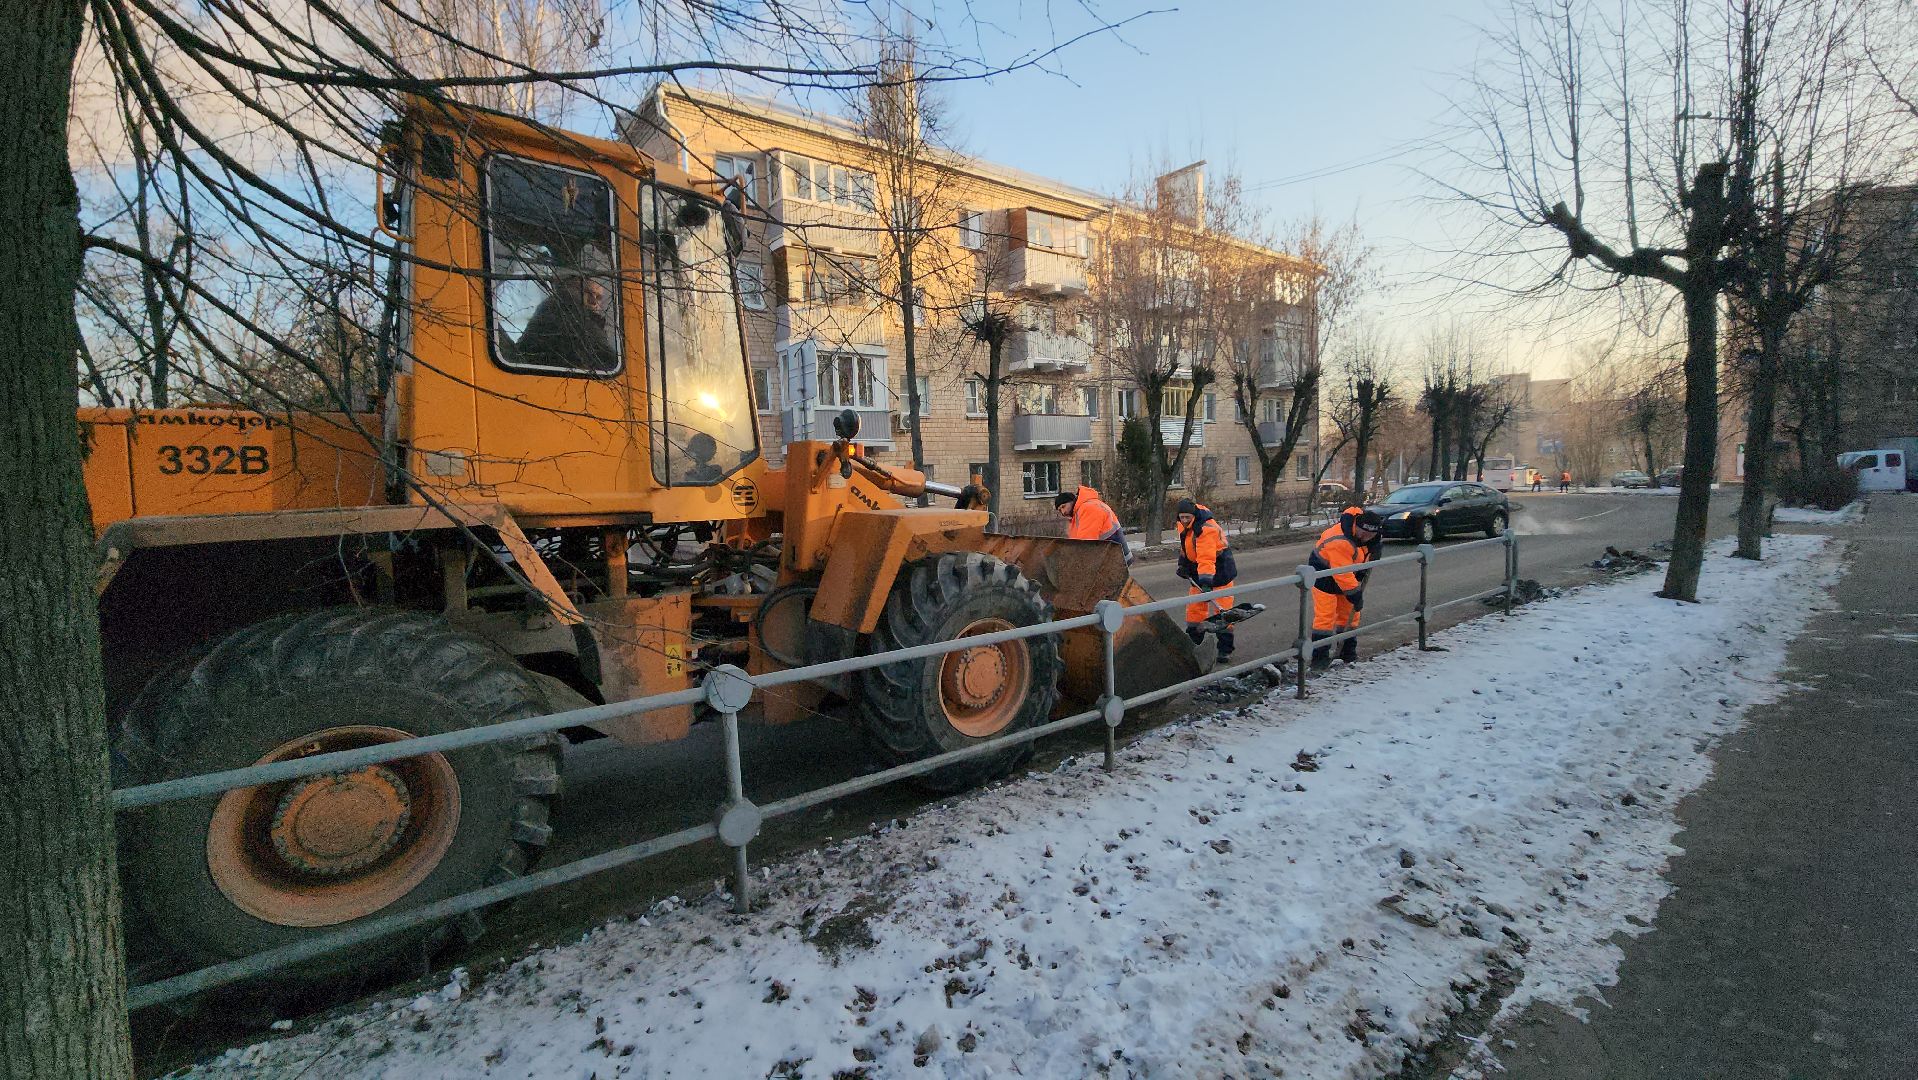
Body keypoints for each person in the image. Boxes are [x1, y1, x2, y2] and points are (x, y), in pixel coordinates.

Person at [1308, 505, 1384, 670]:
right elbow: (1342, 574)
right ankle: (1319, 657)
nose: (1365, 537)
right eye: (1363, 533)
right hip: (1324, 576)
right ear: (1356, 525)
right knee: (1325, 617)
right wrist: (1355, 595)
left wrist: (1373, 552)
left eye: (1371, 535)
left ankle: (1346, 651)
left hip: (1349, 575)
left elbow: (1363, 555)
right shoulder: (1340, 541)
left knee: (1350, 614)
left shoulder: (1369, 537)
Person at [1174, 498, 1238, 662]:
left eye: (1188, 517)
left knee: (1223, 614)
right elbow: (1186, 546)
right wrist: (1183, 564)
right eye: (1182, 517)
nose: (1185, 520)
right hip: (1199, 571)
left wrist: (1206, 583)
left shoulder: (1206, 529)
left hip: (1220, 570)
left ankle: (1225, 651)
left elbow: (1206, 559)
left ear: (1193, 515)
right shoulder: (1182, 525)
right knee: (1194, 611)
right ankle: (1194, 647)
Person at [516, 273, 617, 373]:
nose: (594, 301)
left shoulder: (555, 309)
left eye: (598, 297)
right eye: (588, 293)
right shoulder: (565, 313)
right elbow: (606, 357)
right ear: (572, 291)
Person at [1055, 486, 1130, 563]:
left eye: (1063, 507)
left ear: (1072, 501)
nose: (1063, 512)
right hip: (1110, 555)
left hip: (1115, 556)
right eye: (1060, 510)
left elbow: (1087, 542)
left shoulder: (1088, 508)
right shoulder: (1077, 515)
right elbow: (1076, 543)